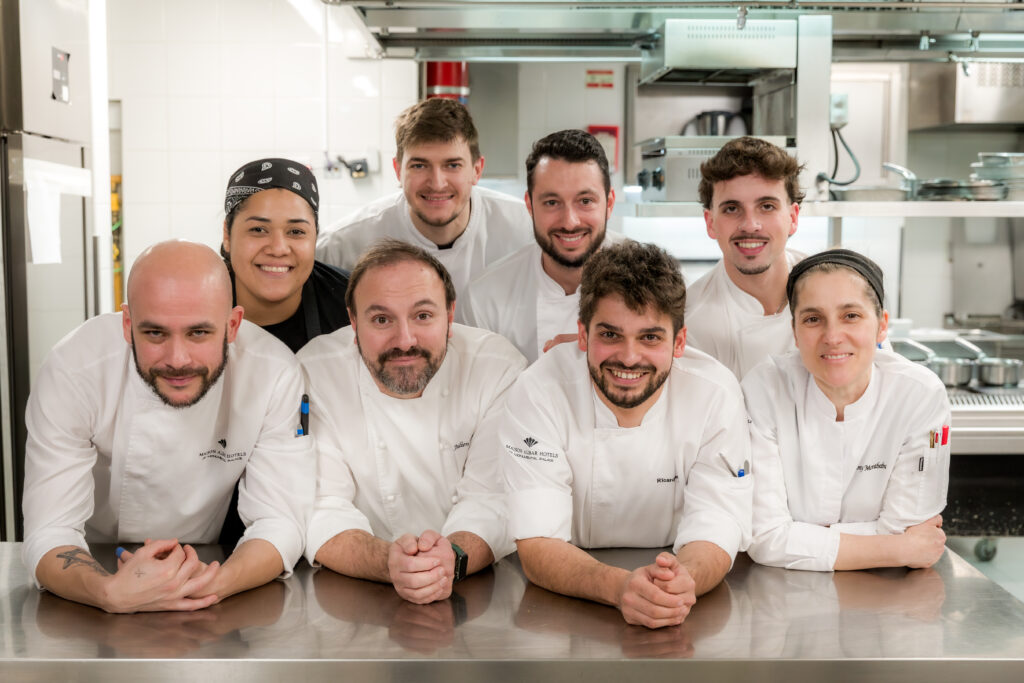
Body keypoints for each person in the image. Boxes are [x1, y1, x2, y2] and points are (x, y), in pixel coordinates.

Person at [21, 241, 314, 613]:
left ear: (233, 325)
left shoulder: (273, 373)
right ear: (127, 325)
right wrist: (107, 592)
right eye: (155, 334)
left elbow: (281, 521)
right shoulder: (74, 369)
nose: (178, 359)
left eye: (199, 333)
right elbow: (50, 529)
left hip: (204, 568)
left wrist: (211, 586)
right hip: (86, 572)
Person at [501, 240, 752, 629]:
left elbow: (718, 519)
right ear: (583, 335)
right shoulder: (539, 391)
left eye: (650, 337)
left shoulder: (715, 394)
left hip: (679, 588)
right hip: (570, 607)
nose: (629, 357)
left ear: (679, 342)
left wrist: (683, 582)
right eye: (611, 335)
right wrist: (620, 588)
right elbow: (538, 543)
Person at [300, 239, 526, 604]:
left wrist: (448, 560)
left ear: (450, 315)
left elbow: (493, 499)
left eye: (423, 316)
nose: (404, 341)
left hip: (477, 594)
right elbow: (321, 506)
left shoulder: (496, 368)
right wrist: (388, 562)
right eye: (381, 319)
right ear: (353, 322)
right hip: (358, 600)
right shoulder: (316, 372)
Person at [743, 249, 950, 572]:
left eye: (851, 315)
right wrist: (899, 549)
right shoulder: (766, 387)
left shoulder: (919, 395)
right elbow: (764, 537)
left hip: (889, 597)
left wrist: (799, 537)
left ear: (882, 326)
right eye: (813, 319)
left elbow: (906, 527)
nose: (832, 337)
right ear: (795, 332)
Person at [316, 98, 532, 299]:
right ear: (398, 170)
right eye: (419, 166)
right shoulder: (342, 246)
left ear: (477, 170)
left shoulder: (527, 229)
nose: (437, 183)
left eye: (453, 165)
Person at [461, 129, 624, 362]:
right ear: (529, 205)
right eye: (551, 202)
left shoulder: (654, 285)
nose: (570, 222)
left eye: (585, 201)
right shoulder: (485, 298)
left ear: (609, 204)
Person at [685, 136, 806, 379]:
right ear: (710, 223)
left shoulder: (835, 288)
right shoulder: (692, 323)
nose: (750, 225)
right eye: (732, 209)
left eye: (767, 206)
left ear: (793, 218)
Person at [222, 157, 349, 354]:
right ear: (227, 235)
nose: (278, 248)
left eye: (296, 232)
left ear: (315, 237)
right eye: (258, 229)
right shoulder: (189, 306)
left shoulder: (352, 304)